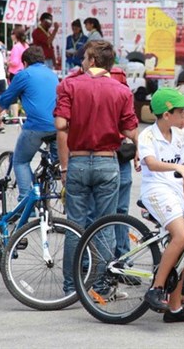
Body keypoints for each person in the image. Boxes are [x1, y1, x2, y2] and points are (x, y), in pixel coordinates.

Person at [55, 40, 139, 297]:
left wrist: (64, 164)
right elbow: (130, 130)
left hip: (78, 161)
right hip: (107, 161)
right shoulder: (121, 90)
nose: (82, 62)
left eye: (84, 58)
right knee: (105, 224)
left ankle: (72, 287)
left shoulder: (69, 84)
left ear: (92, 60)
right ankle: (101, 286)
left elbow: (60, 124)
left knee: (75, 226)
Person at [139, 88, 184, 323]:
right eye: (180, 111)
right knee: (182, 237)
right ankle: (156, 288)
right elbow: (152, 164)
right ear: (167, 114)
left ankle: (175, 308)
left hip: (176, 193)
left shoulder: (179, 135)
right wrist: (176, 168)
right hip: (156, 191)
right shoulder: (147, 135)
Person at [0, 46, 59, 201]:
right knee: (56, 163)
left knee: (20, 161)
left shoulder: (24, 75)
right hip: (58, 126)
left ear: (25, 62)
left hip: (36, 127)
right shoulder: (52, 75)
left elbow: (5, 99)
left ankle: (25, 201)